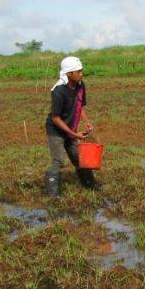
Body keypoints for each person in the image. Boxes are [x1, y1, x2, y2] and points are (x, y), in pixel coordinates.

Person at [44, 56, 100, 196]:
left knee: (79, 158)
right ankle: (53, 194)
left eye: (81, 71)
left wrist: (86, 121)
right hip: (56, 130)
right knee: (58, 160)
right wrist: (75, 135)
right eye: (78, 71)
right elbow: (56, 118)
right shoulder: (58, 92)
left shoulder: (80, 86)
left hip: (70, 128)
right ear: (69, 74)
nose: (81, 74)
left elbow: (79, 105)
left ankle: (90, 185)